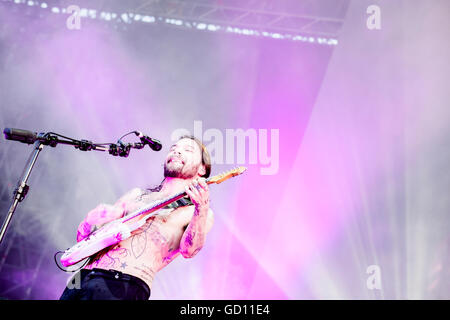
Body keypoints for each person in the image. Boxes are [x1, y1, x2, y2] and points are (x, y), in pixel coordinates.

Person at [60, 135, 214, 300]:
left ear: (202, 169)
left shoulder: (197, 211)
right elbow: (85, 241)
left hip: (124, 284)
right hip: (81, 278)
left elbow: (189, 251)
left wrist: (202, 208)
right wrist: (89, 221)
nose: (176, 151)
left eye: (187, 150)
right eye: (173, 148)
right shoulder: (136, 195)